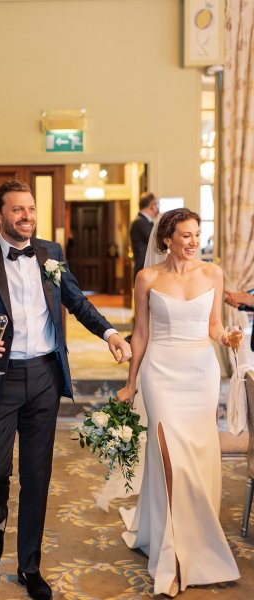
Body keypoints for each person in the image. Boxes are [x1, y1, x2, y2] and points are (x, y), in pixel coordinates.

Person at [0, 180, 132, 600]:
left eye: (30, 209)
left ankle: (30, 567)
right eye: (17, 210)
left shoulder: (51, 254)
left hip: (44, 375)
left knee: (37, 476)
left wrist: (110, 333)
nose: (26, 217)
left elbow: (77, 301)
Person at [116, 208, 240, 597]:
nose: (192, 242)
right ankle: (170, 554)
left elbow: (214, 326)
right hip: (161, 373)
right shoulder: (147, 277)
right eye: (185, 235)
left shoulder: (213, 273)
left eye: (196, 235)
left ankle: (198, 541)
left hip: (201, 374)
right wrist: (131, 382)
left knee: (197, 457)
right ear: (166, 238)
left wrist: (226, 339)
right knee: (170, 456)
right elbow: (140, 333)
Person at [130, 192, 159, 281]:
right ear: (152, 206)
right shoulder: (140, 222)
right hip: (143, 269)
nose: (158, 208)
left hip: (146, 269)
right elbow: (156, 241)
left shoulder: (142, 222)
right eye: (157, 205)